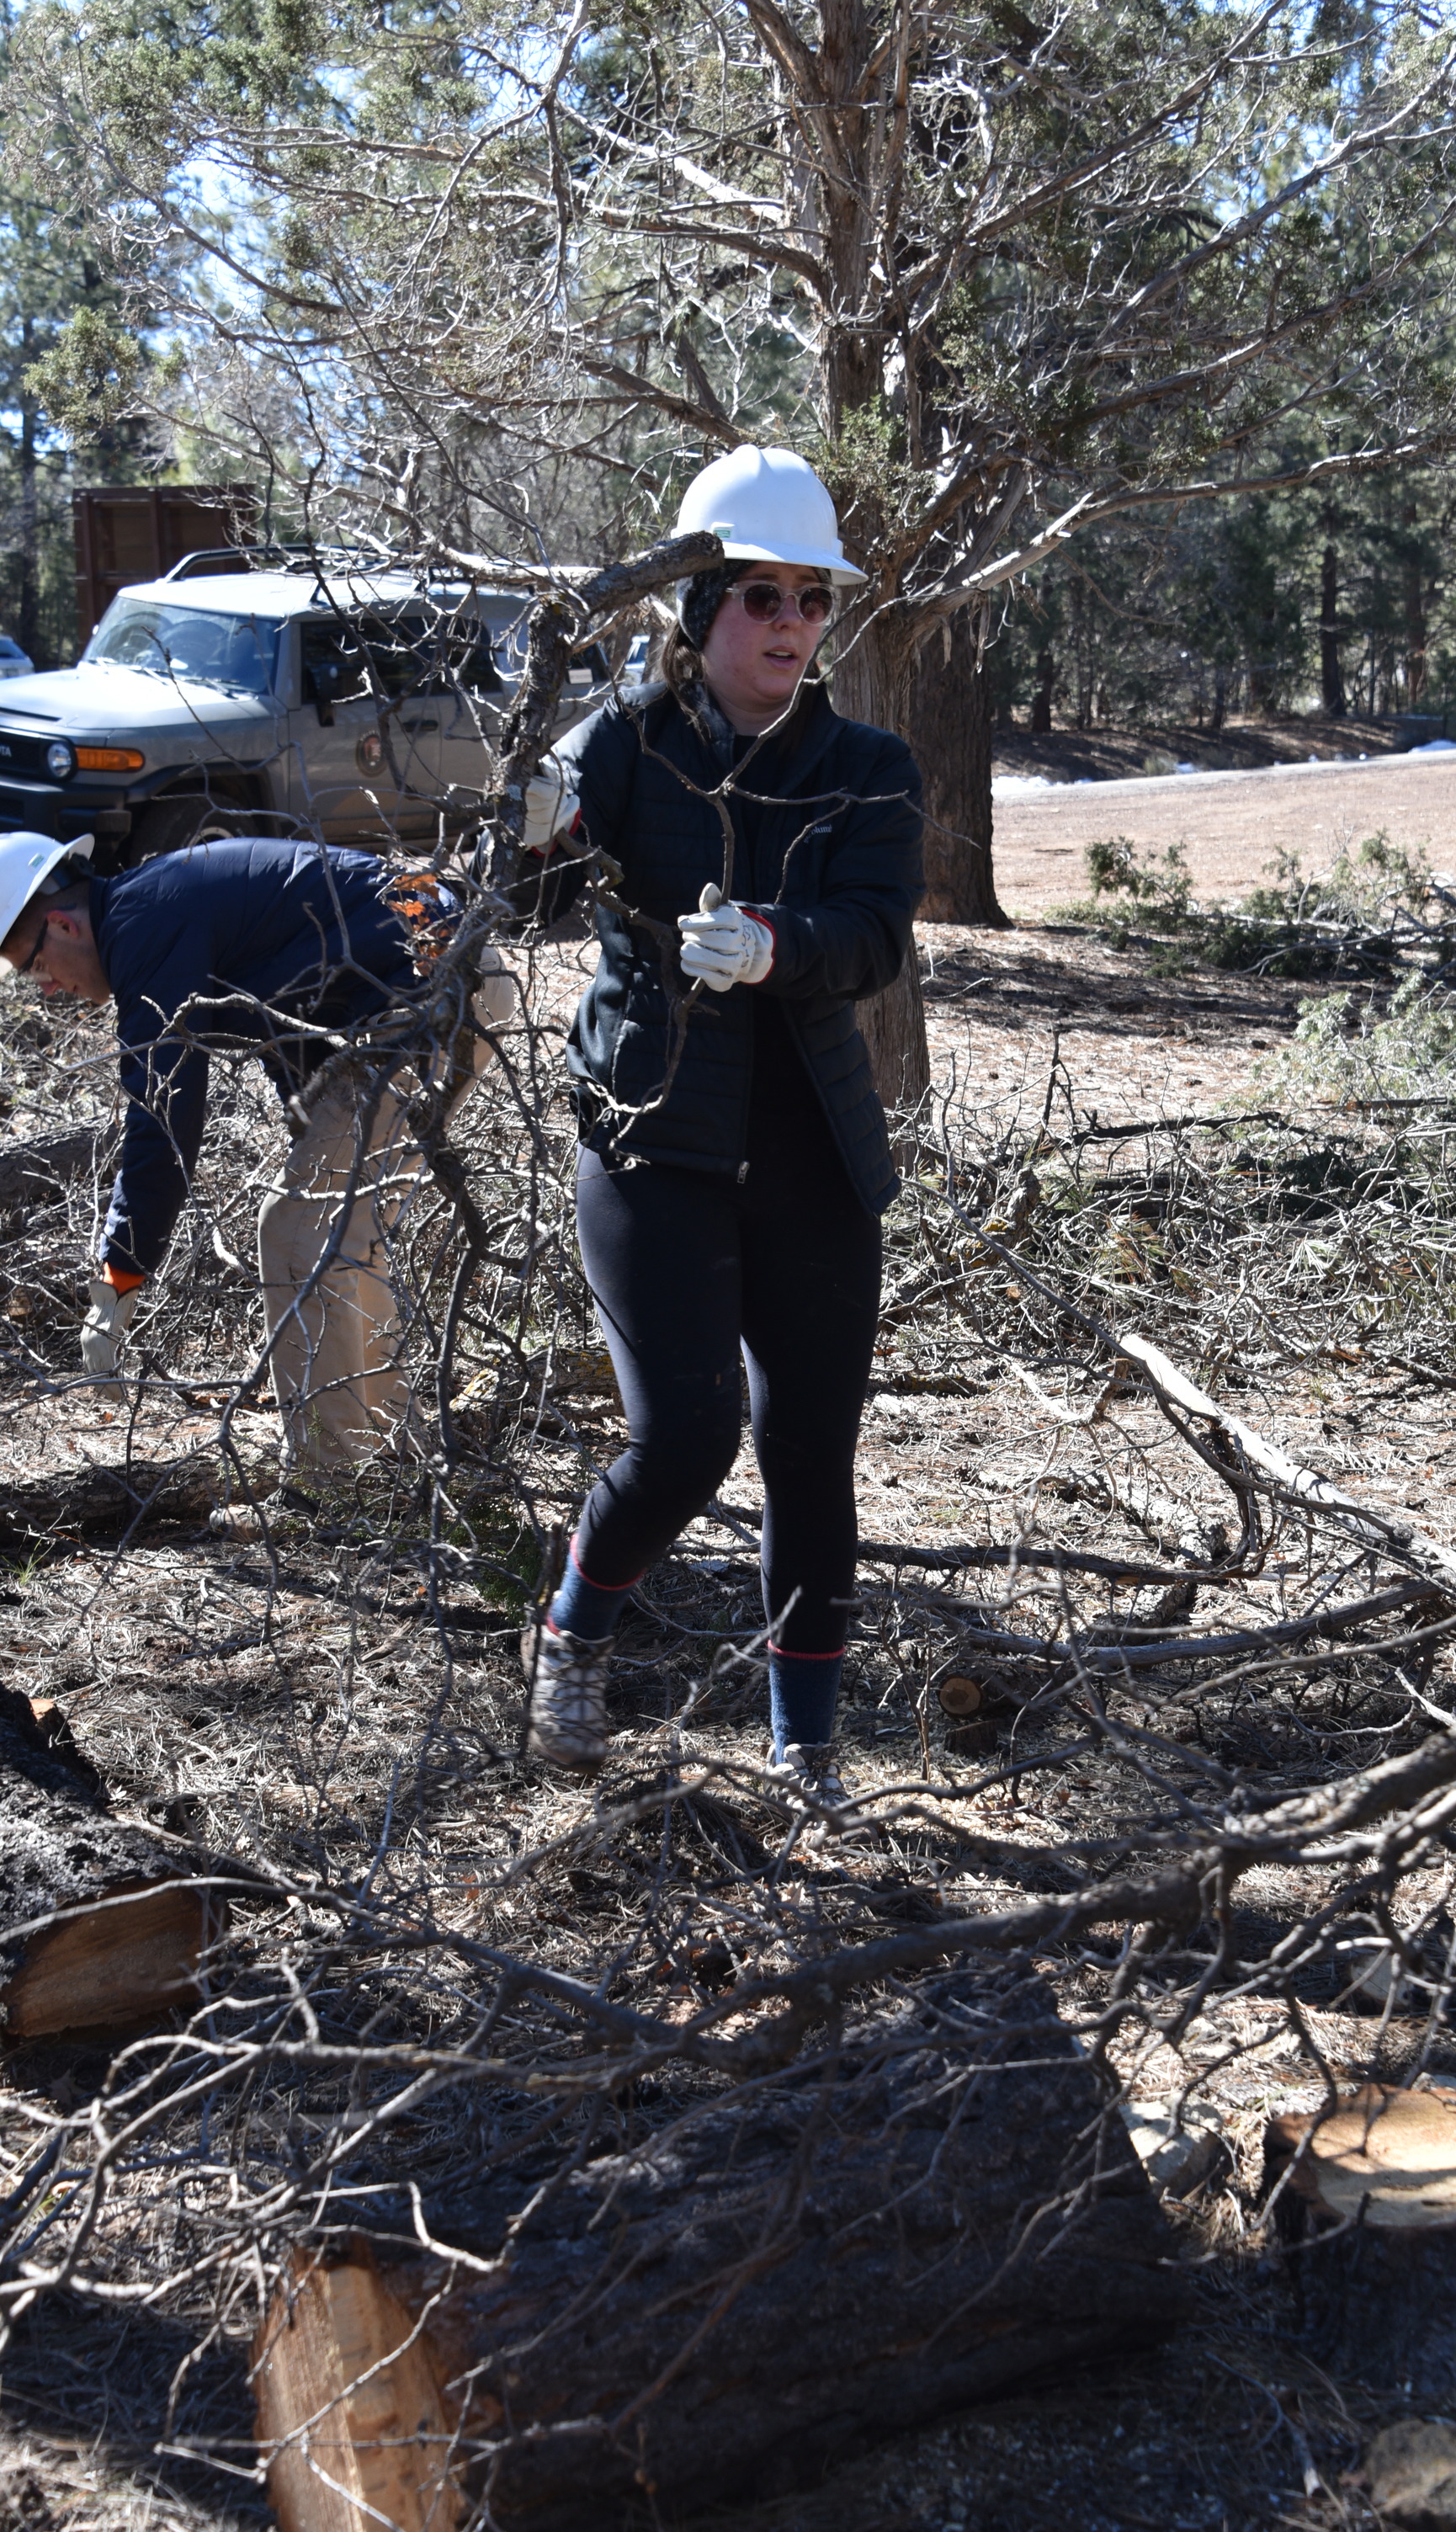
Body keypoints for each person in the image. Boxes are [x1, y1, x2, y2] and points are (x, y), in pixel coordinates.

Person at [525, 444, 924, 1813]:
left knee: (810, 1450)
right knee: (685, 1437)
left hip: (812, 1157)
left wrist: (773, 940)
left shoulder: (866, 766)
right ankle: (572, 1630)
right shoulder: (625, 746)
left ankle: (802, 1746)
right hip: (651, 1141)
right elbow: (521, 889)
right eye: (757, 596)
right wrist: (515, 822)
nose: (789, 625)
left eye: (808, 598)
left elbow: (871, 933)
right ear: (695, 612)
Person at [0, 829, 510, 1473]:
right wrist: (308, 1111)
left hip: (434, 982)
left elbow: (163, 1114)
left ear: (62, 925)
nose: (46, 989)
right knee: (342, 1228)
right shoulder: (157, 901)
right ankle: (393, 1449)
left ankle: (333, 1481)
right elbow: (290, 1011)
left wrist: (120, 1273)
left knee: (295, 1230)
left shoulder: (141, 928)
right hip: (447, 965)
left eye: (35, 967)